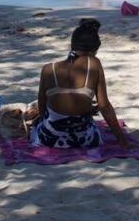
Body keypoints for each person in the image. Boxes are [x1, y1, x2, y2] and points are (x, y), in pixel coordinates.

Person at [30, 18, 129, 148]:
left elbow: (42, 109)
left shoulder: (48, 69)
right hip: (85, 139)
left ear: (73, 45)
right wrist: (122, 141)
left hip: (49, 139)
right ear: (95, 49)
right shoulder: (94, 64)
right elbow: (104, 107)